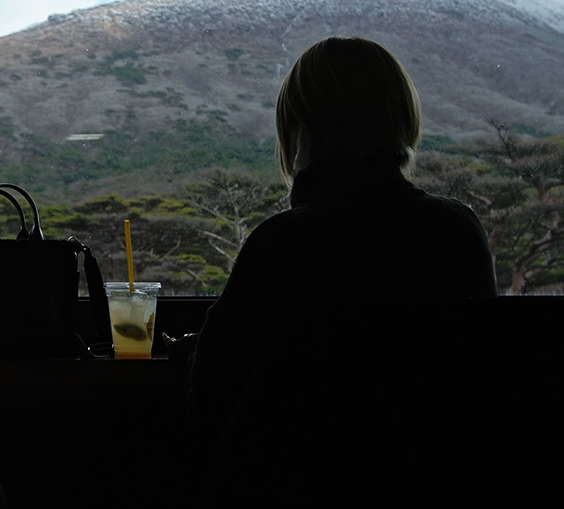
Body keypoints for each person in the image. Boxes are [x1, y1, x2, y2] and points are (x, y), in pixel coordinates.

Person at [181, 36, 496, 446]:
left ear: (298, 129)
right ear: (400, 116)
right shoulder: (457, 233)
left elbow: (213, 394)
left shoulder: (283, 244)